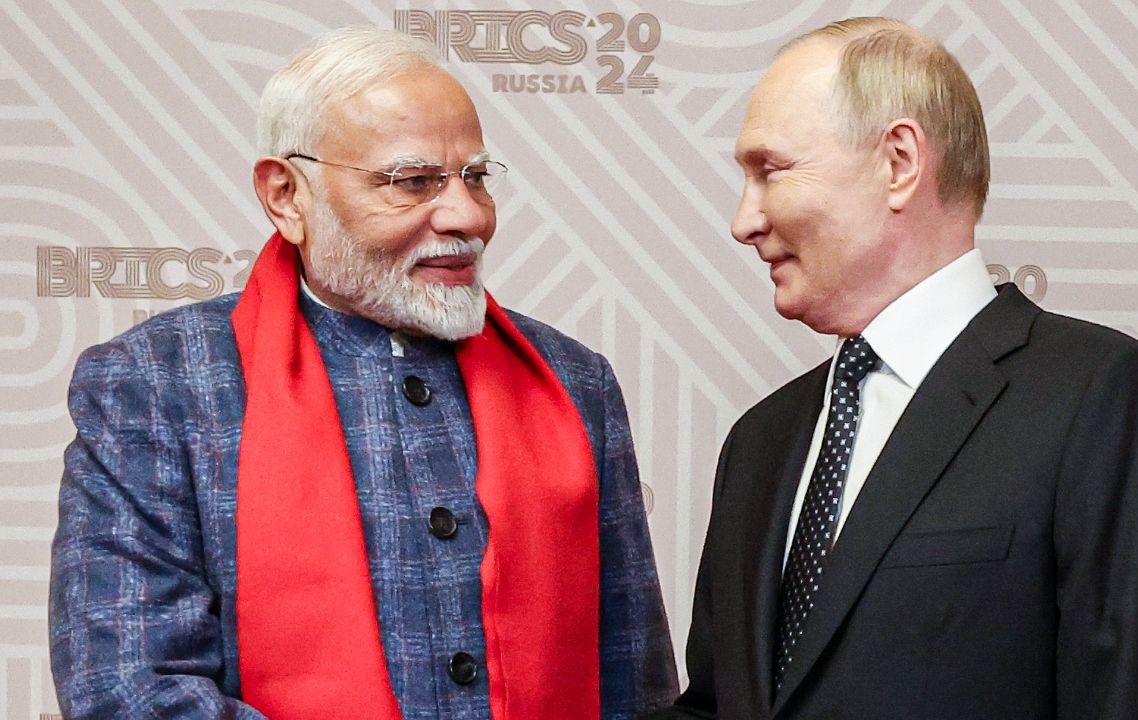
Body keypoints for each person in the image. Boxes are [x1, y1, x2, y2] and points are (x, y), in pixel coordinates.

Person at [50, 27, 677, 720]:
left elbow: (636, 686)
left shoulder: (575, 383)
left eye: (475, 177)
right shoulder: (156, 384)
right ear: (287, 196)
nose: (468, 215)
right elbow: (131, 692)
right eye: (413, 182)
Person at [652, 17, 1138, 720]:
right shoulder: (758, 441)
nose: (743, 221)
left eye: (771, 171)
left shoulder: (1102, 400)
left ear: (899, 162)